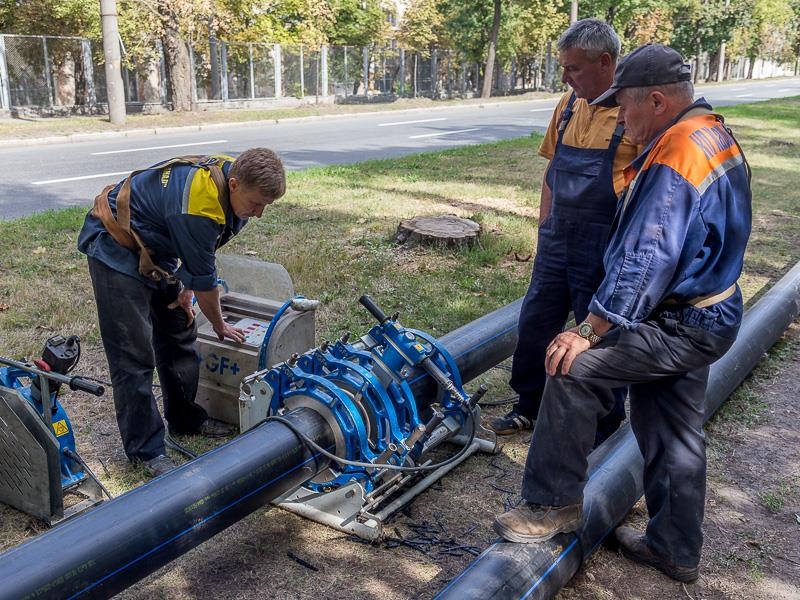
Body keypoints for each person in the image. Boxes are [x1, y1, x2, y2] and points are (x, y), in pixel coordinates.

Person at [493, 44, 752, 584]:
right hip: (713, 310)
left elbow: (647, 256)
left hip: (680, 322)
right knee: (673, 430)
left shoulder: (675, 152)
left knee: (570, 368)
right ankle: (674, 548)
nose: (622, 117)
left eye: (627, 107)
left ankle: (551, 506)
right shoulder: (713, 133)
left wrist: (590, 329)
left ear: (656, 101)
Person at [78, 148, 286, 476]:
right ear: (233, 184)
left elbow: (201, 252)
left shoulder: (232, 185)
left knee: (179, 325)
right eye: (256, 203)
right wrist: (219, 325)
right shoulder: (199, 206)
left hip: (157, 244)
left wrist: (187, 286)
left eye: (266, 206)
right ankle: (146, 452)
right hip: (115, 244)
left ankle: (185, 419)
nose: (258, 213)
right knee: (133, 355)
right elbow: (205, 276)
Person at [490, 18, 635, 443]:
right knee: (536, 321)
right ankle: (528, 407)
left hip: (603, 242)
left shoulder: (631, 112)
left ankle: (603, 425)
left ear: (605, 62)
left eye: (573, 68)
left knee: (599, 335)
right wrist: (544, 228)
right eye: (563, 68)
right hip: (558, 239)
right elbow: (552, 171)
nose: (565, 76)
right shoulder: (569, 104)